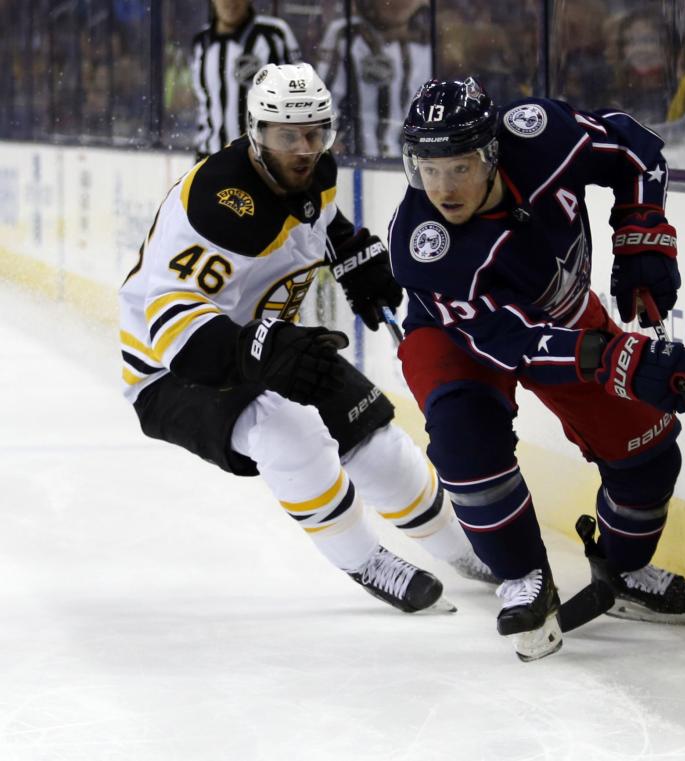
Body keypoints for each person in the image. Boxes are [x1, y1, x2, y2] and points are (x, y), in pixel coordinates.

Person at [119, 62, 494, 615]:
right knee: (286, 432)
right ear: (256, 131)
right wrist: (261, 350)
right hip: (169, 370)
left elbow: (321, 219)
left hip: (261, 341)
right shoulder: (218, 206)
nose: (303, 148)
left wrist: (352, 254)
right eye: (286, 135)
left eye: (316, 132)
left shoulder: (315, 170)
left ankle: (466, 550)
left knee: (371, 430)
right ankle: (366, 559)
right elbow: (174, 326)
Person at [389, 77, 685, 661]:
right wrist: (622, 360)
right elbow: (510, 344)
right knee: (466, 440)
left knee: (649, 455)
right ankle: (523, 577)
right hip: (456, 336)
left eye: (459, 167)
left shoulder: (540, 134)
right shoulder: (422, 243)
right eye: (428, 168)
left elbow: (634, 149)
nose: (442, 187)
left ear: (492, 151)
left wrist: (643, 239)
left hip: (564, 315)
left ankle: (621, 572)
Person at [317, 0, 431, 157]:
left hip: (408, 161)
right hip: (355, 158)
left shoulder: (427, 39)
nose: (401, 3)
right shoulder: (346, 34)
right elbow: (325, 100)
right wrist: (327, 141)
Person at [191, 0, 301, 161]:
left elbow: (301, 95)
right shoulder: (201, 43)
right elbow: (204, 106)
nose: (230, 2)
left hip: (263, 162)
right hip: (210, 159)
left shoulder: (274, 34)